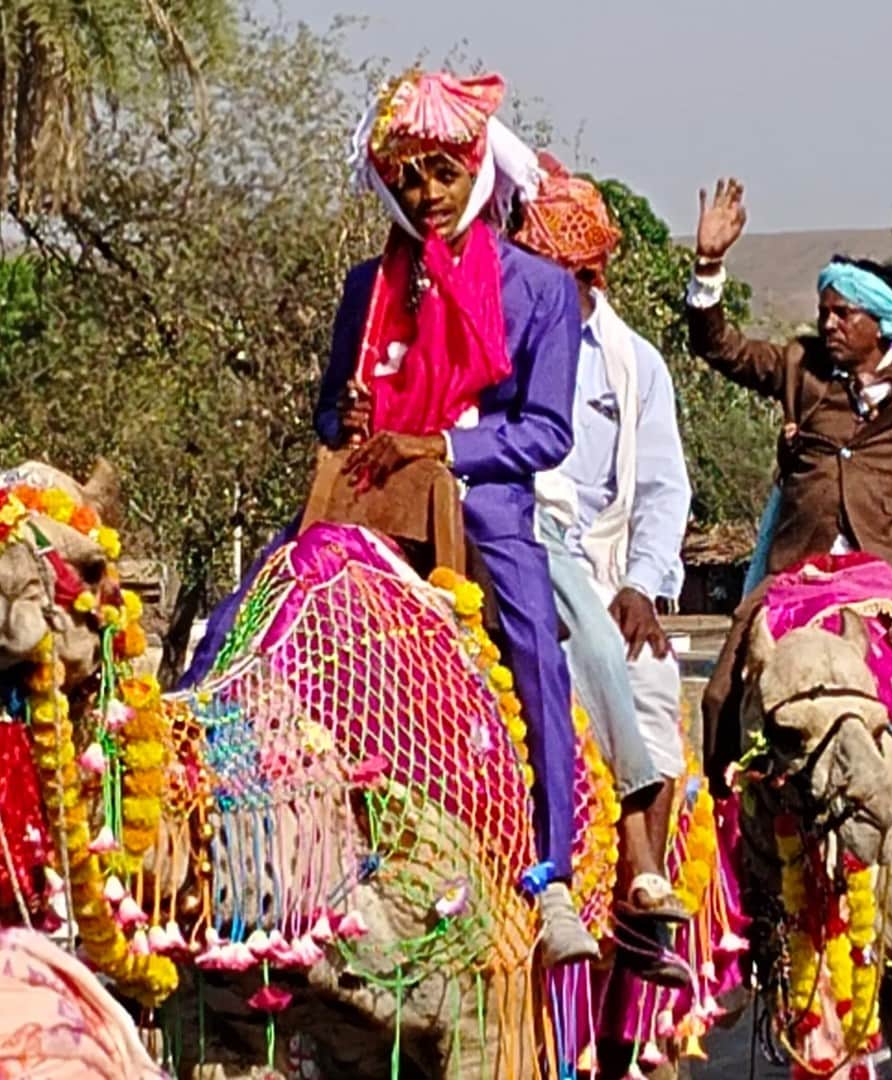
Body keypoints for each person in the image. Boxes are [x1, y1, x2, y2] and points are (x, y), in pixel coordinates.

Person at [311, 67, 597, 965]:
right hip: (371, 507)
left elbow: (545, 431)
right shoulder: (367, 286)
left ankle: (550, 877)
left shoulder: (540, 290)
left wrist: (439, 448)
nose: (425, 195)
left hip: (485, 511)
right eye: (407, 177)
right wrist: (350, 420)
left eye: (442, 172)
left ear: (477, 166)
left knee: (534, 653)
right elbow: (329, 412)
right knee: (261, 621)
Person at [688, 179, 892, 822]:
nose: (828, 324)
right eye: (824, 311)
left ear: (881, 322)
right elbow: (718, 346)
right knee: (720, 693)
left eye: (843, 314)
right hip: (799, 565)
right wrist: (708, 264)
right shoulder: (798, 367)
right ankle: (726, 824)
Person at [511, 156, 695, 983]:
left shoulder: (634, 364)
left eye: (580, 275)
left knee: (647, 683)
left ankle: (639, 867)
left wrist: (644, 585)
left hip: (595, 559)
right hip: (492, 520)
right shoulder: (494, 331)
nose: (566, 287)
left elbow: (663, 487)